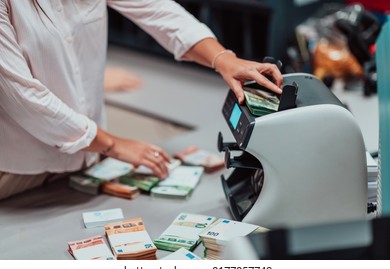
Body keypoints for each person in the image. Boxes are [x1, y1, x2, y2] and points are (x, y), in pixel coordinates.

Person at [0, 1, 283, 200]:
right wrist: (114, 144)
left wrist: (223, 59)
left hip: (87, 157)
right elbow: (24, 99)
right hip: (19, 169)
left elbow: (159, 11)